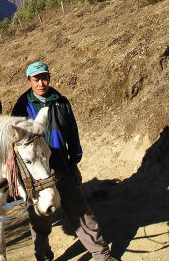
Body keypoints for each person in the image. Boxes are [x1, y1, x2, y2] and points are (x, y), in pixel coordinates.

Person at [11, 62, 119, 261]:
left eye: (44, 78)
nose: (41, 83)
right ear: (29, 81)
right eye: (36, 79)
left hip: (62, 166)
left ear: (49, 78)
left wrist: (75, 161)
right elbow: (17, 144)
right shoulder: (22, 105)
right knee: (40, 219)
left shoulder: (61, 102)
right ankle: (43, 255)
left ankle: (101, 255)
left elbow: (72, 133)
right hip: (38, 174)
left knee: (80, 211)